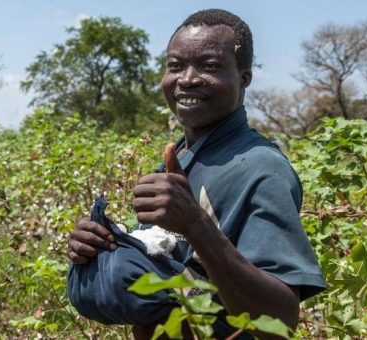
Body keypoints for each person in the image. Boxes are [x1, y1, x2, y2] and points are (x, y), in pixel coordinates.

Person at [67, 9, 325, 339]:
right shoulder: (179, 157)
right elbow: (165, 266)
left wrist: (195, 224)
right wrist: (99, 246)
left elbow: (280, 320)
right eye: (175, 66)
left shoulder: (262, 168)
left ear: (243, 78)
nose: (187, 78)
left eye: (210, 66)